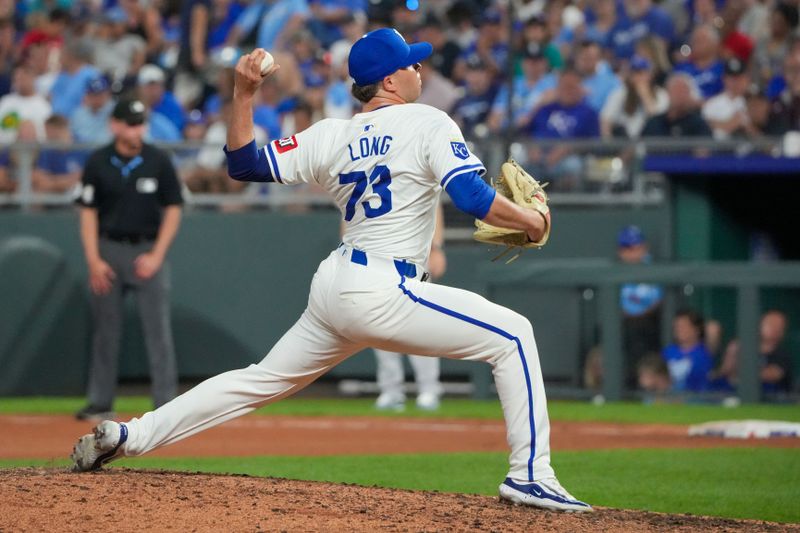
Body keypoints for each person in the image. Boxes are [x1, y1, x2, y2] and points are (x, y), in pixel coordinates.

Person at [70, 28, 592, 513]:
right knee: (515, 336)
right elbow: (471, 195)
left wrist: (244, 96)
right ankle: (530, 473)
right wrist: (532, 221)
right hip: (386, 287)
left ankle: (130, 436)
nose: (419, 72)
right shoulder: (429, 119)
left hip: (336, 284)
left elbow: (243, 164)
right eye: (412, 65)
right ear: (391, 80)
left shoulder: (330, 135)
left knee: (258, 380)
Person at [73, 98, 183, 421]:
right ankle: (100, 400)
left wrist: (157, 255)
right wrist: (93, 259)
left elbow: (174, 208)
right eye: (131, 123)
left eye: (141, 123)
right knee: (106, 330)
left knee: (158, 331)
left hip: (146, 249)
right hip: (109, 249)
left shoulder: (158, 160)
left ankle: (166, 404)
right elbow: (88, 212)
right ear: (115, 125)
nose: (137, 129)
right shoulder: (98, 161)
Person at [374, 204, 446, 412]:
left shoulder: (415, 171)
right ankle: (390, 390)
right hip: (377, 256)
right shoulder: (364, 174)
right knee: (377, 325)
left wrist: (436, 248)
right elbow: (348, 217)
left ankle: (429, 389)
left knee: (420, 325)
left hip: (415, 255)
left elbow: (434, 206)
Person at [617, 225, 663, 386]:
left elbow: (658, 301)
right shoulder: (617, 271)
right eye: (627, 248)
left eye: (636, 247)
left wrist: (638, 316)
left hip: (650, 327)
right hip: (625, 327)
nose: (632, 252)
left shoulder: (655, 270)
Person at [711, 310, 794, 395]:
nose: (774, 329)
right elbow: (725, 372)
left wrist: (742, 377)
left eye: (778, 326)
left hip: (772, 399)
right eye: (770, 324)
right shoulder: (745, 349)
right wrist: (731, 354)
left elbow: (774, 374)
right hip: (733, 394)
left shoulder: (782, 354)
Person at [662, 309, 713, 393]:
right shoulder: (668, 352)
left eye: (683, 326)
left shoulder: (704, 353)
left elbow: (713, 328)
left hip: (694, 399)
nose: (678, 330)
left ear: (696, 329)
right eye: (676, 326)